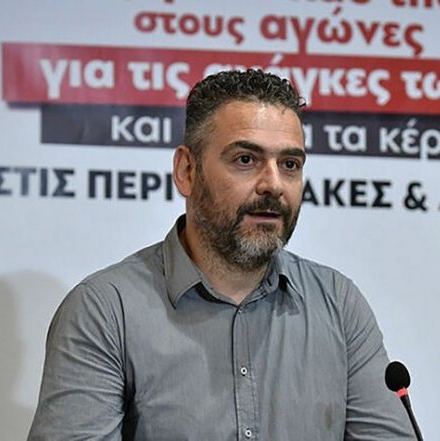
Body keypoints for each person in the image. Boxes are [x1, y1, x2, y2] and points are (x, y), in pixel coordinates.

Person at [28, 69, 414, 440]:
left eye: (290, 164)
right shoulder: (105, 310)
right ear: (187, 171)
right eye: (246, 160)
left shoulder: (339, 305)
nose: (273, 184)